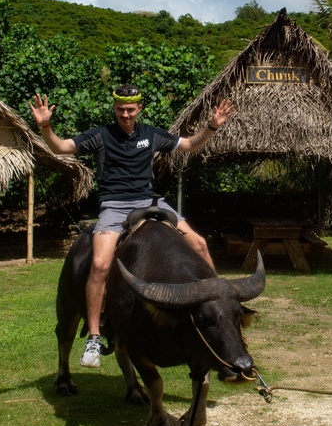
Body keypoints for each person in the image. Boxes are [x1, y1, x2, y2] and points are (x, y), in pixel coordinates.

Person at [29, 85, 235, 368]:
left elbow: (189, 144)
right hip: (114, 205)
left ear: (139, 109)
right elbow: (62, 147)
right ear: (114, 110)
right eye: (120, 110)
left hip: (151, 202)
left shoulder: (151, 134)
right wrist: (46, 128)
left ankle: (218, 304)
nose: (125, 114)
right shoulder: (101, 135)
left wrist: (212, 126)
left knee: (199, 243)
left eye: (130, 110)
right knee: (100, 264)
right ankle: (93, 336)